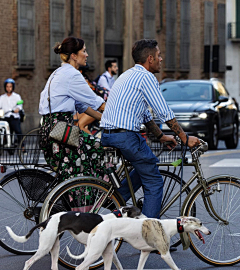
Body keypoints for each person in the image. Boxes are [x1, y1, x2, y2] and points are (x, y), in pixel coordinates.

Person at [100, 39, 200, 219]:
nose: (161, 59)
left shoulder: (126, 75)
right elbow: (164, 112)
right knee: (154, 181)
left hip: (108, 134)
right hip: (126, 136)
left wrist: (161, 136)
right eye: (159, 55)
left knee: (145, 165)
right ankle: (149, 237)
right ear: (150, 59)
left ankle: (117, 198)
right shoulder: (147, 77)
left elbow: (145, 114)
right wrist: (184, 138)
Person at [39, 37, 106, 195]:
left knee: (79, 165)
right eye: (84, 51)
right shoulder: (72, 75)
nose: (87, 54)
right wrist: (121, 116)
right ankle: (100, 197)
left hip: (51, 131)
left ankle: (95, 196)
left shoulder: (59, 72)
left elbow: (82, 106)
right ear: (74, 56)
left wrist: (104, 118)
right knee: (97, 149)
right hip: (62, 134)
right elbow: (96, 101)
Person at [0, 78, 24, 145]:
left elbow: (19, 105)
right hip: (5, 117)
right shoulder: (2, 97)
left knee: (18, 131)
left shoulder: (17, 96)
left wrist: (17, 109)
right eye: (7, 86)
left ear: (13, 87)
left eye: (10, 86)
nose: (9, 88)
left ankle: (23, 147)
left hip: (14, 117)